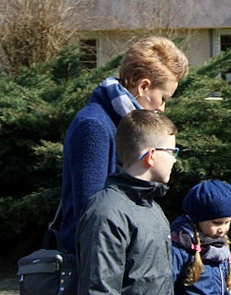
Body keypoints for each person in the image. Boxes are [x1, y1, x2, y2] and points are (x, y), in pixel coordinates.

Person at [59, 36, 189, 254]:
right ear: (143, 86)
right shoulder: (94, 126)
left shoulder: (118, 122)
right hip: (96, 261)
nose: (163, 108)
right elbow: (92, 215)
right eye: (163, 98)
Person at [76, 109, 179, 294]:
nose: (175, 160)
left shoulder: (153, 208)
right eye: (172, 152)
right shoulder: (107, 212)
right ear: (152, 155)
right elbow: (99, 289)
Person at [171, 180, 231, 295]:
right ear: (198, 220)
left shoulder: (220, 246)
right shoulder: (179, 249)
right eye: (216, 223)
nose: (222, 229)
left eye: (227, 222)